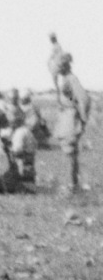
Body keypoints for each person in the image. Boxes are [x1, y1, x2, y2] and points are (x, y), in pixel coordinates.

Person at [56, 53, 91, 192]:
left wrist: (82, 120)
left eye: (59, 65)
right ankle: (72, 184)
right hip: (66, 117)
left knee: (69, 152)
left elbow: (84, 99)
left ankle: (71, 185)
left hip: (71, 119)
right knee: (68, 152)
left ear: (65, 65)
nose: (56, 68)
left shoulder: (71, 79)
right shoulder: (65, 79)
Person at [47, 33, 67, 103]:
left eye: (51, 39)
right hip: (60, 65)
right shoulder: (58, 46)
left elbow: (52, 56)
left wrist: (48, 61)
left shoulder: (56, 46)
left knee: (55, 82)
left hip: (58, 66)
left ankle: (58, 98)